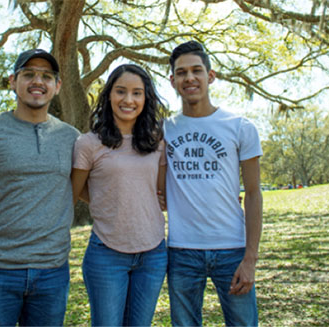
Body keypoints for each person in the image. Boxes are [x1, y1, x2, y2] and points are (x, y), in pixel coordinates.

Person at [0, 49, 80, 326]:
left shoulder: (71, 137)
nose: (38, 81)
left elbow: (96, 188)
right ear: (12, 81)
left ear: (57, 87)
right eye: (29, 74)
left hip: (52, 273)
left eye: (46, 76)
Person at [164, 41, 263, 326]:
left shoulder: (240, 127)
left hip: (232, 248)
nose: (189, 78)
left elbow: (254, 194)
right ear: (173, 81)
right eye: (181, 73)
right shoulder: (164, 130)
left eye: (197, 70)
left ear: (211, 76)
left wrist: (250, 259)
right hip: (181, 251)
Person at [71, 64, 167, 326]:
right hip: (106, 254)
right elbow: (75, 190)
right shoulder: (88, 143)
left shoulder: (157, 140)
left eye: (137, 93)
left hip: (153, 253)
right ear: (109, 95)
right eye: (121, 91)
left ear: (146, 98)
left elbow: (161, 193)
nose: (128, 100)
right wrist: (108, 200)